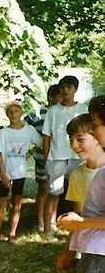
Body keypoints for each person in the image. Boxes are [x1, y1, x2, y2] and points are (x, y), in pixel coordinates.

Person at [56, 96, 105, 273]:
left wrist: (80, 223)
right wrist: (68, 249)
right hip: (87, 251)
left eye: (84, 136)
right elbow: (81, 217)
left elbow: (84, 219)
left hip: (101, 253)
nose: (75, 145)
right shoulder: (79, 173)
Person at [0, 101, 42, 244]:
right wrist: (3, 174)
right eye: (10, 112)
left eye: (16, 111)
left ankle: (12, 233)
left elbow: (40, 143)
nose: (13, 114)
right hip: (5, 173)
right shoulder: (3, 133)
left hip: (20, 173)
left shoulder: (29, 130)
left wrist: (29, 154)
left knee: (16, 203)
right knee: (1, 203)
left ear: (21, 113)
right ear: (7, 115)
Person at [42, 75, 88, 240]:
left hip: (77, 157)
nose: (66, 90)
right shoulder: (53, 111)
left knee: (78, 195)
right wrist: (47, 157)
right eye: (63, 87)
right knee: (53, 193)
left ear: (76, 89)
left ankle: (79, 229)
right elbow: (46, 135)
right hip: (56, 157)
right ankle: (47, 229)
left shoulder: (82, 109)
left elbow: (88, 134)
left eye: (69, 87)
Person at [31, 84, 63, 230]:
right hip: (42, 159)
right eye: (59, 96)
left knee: (56, 190)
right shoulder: (39, 114)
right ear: (51, 97)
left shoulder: (61, 113)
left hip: (58, 157)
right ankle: (39, 220)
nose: (62, 99)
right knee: (43, 189)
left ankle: (52, 220)